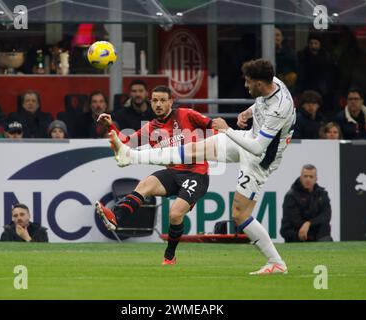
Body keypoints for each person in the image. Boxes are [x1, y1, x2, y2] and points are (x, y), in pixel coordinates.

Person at [107, 59, 295, 275]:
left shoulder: (280, 108)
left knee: (239, 214)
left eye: (249, 82)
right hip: (247, 138)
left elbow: (257, 147)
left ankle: (276, 262)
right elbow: (261, 104)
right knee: (194, 148)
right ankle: (130, 156)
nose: (246, 86)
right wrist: (248, 112)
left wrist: (228, 130)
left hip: (260, 157)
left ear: (260, 83)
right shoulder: (273, 83)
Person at [96, 85, 212, 266]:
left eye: (162, 100)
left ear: (171, 102)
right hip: (173, 172)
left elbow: (214, 125)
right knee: (145, 185)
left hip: (196, 174)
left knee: (174, 215)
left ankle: (169, 256)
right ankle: (116, 217)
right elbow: (125, 143)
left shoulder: (186, 115)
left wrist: (231, 134)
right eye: (155, 100)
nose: (158, 104)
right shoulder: (151, 127)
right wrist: (111, 125)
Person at [280, 164, 333, 242]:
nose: (308, 179)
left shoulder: (322, 194)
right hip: (296, 233)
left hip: (314, 231)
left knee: (325, 226)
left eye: (311, 177)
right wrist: (306, 226)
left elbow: (326, 215)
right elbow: (294, 219)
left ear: (316, 179)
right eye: (305, 176)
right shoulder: (291, 195)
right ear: (301, 178)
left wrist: (309, 223)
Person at [296, 33, 337, 116]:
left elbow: (330, 77)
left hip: (323, 93)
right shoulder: (302, 57)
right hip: (306, 90)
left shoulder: (327, 58)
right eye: (311, 43)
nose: (313, 46)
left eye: (315, 43)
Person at [275, 27, 297, 93]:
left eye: (277, 35)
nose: (275, 38)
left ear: (282, 37)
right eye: (272, 35)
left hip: (287, 87)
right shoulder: (262, 51)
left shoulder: (290, 52)